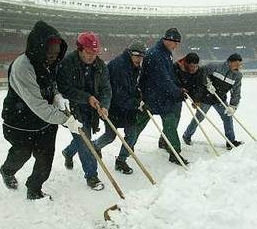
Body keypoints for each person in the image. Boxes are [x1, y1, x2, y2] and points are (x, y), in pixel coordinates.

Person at [0, 21, 82, 200]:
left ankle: (34, 189)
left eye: (56, 54)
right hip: (20, 121)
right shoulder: (23, 67)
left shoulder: (50, 62)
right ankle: (7, 171)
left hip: (45, 122)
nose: (53, 58)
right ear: (38, 48)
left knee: (45, 158)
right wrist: (66, 120)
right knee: (22, 154)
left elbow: (53, 85)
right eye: (50, 53)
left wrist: (58, 96)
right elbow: (37, 105)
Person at [57, 32, 112, 190]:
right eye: (88, 52)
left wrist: (105, 106)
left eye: (94, 53)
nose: (91, 57)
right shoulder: (67, 63)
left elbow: (106, 89)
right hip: (73, 109)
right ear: (80, 49)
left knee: (83, 138)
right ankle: (92, 176)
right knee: (85, 142)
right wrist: (86, 97)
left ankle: (68, 152)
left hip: (92, 109)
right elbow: (64, 88)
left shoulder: (100, 66)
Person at [132, 28, 189, 165]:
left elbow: (169, 76)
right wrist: (176, 92)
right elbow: (163, 80)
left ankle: (174, 151)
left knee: (168, 123)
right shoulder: (156, 54)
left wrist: (178, 88)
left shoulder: (165, 53)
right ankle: (127, 146)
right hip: (153, 96)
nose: (176, 46)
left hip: (161, 96)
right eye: (175, 42)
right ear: (167, 40)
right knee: (140, 124)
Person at [93, 40, 146, 175]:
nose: (139, 59)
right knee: (110, 135)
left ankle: (121, 160)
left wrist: (139, 97)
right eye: (136, 55)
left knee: (132, 134)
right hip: (113, 107)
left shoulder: (135, 66)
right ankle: (95, 146)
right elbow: (117, 94)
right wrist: (135, 103)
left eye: (141, 56)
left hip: (127, 107)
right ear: (129, 53)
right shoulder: (118, 66)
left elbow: (133, 87)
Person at [182, 53, 244, 150]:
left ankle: (230, 141)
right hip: (206, 98)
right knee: (199, 117)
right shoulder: (215, 66)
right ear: (229, 62)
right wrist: (207, 83)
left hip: (220, 99)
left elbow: (236, 91)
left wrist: (233, 106)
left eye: (240, 64)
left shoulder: (237, 76)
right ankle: (187, 135)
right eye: (236, 64)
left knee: (228, 117)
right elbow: (201, 72)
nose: (238, 66)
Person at [158, 52, 206, 150]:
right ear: (186, 63)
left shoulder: (198, 71)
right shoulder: (175, 67)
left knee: (175, 120)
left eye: (196, 66)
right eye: (192, 66)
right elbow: (170, 83)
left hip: (184, 95)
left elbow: (199, 86)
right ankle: (165, 141)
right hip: (172, 97)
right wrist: (179, 90)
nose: (194, 69)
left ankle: (166, 139)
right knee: (173, 120)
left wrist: (196, 99)